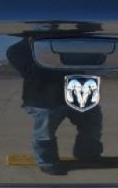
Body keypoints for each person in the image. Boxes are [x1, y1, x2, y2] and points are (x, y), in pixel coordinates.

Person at [7, 39, 103, 175]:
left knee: (92, 123)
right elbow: (22, 63)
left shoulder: (78, 39)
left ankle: (88, 155)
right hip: (46, 94)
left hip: (80, 87)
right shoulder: (24, 46)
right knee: (45, 130)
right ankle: (47, 162)